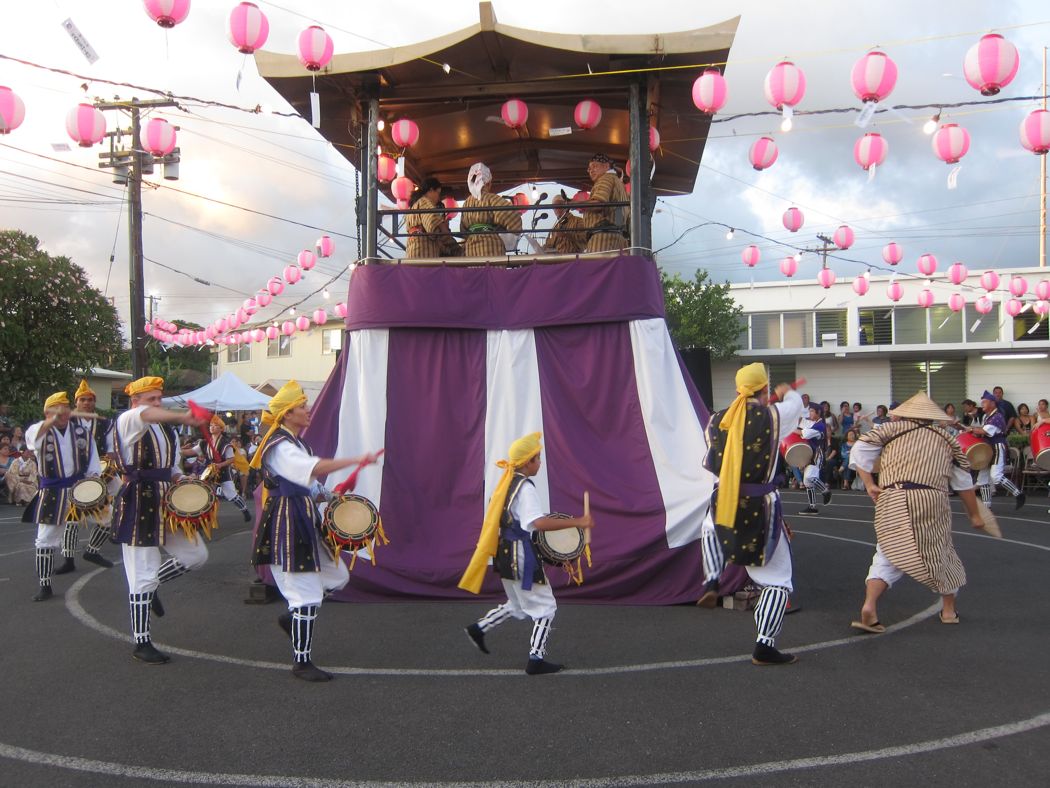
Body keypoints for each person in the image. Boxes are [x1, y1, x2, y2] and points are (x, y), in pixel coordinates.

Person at [250, 380, 378, 682]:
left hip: (303, 518)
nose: (308, 410)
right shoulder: (280, 446)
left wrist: (331, 496)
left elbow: (311, 485)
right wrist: (356, 460)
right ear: (287, 413)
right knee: (305, 594)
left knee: (338, 576)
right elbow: (315, 469)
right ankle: (302, 662)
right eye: (302, 406)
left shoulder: (299, 444)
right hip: (287, 521)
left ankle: (292, 617)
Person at [848, 392, 987, 632]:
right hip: (930, 499)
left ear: (905, 414)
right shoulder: (947, 439)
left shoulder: (888, 431)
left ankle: (870, 605)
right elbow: (963, 482)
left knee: (886, 553)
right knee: (941, 554)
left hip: (892, 496)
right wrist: (974, 514)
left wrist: (869, 483)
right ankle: (948, 611)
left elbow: (859, 450)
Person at [460, 432, 594, 675]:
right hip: (521, 555)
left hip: (505, 553)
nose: (540, 463)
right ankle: (536, 659)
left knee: (517, 605)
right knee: (546, 608)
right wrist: (578, 521)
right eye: (537, 458)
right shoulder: (525, 488)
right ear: (527, 462)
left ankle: (479, 628)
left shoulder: (506, 483)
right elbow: (537, 523)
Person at [698, 363, 805, 665]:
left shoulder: (716, 420)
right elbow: (796, 405)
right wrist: (788, 391)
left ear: (738, 390)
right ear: (764, 389)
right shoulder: (773, 416)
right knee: (778, 581)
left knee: (711, 528)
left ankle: (712, 578)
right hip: (760, 506)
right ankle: (765, 645)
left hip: (723, 500)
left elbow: (711, 462)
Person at [110, 376, 210, 664]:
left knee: (196, 555)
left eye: (158, 398)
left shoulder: (167, 430)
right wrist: (185, 416)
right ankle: (141, 643)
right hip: (139, 501)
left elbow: (172, 466)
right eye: (150, 398)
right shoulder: (128, 419)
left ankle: (153, 586)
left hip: (166, 502)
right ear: (135, 401)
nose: (156, 403)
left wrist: (182, 479)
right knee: (141, 574)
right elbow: (145, 414)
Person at [22, 392, 102, 601]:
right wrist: (52, 419)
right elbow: (33, 441)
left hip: (80, 489)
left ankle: (92, 550)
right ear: (47, 413)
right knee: (45, 540)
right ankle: (45, 585)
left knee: (109, 518)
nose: (63, 413)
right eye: (58, 410)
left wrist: (93, 481)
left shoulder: (82, 432)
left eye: (65, 409)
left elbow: (93, 461)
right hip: (53, 492)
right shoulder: (37, 430)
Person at [54, 379, 117, 574]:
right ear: (76, 403)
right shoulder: (67, 422)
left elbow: (111, 450)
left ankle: (92, 550)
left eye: (90, 400)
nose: (87, 403)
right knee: (72, 518)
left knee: (110, 513)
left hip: (98, 474)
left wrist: (106, 466)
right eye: (83, 400)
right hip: (72, 477)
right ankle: (68, 560)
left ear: (94, 402)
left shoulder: (105, 423)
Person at [970, 390, 1025, 509]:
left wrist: (970, 429)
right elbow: (980, 431)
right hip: (987, 448)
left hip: (997, 447)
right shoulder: (987, 416)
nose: (982, 404)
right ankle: (987, 507)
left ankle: (1018, 494)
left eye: (984, 402)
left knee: (996, 476)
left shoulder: (997, 416)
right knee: (983, 478)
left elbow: (983, 431)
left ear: (992, 403)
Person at [461, 163, 522, 258]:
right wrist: (507, 237)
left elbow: (463, 230)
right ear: (488, 183)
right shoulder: (491, 198)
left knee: (474, 268)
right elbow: (513, 217)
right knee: (492, 267)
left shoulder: (466, 203)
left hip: (471, 249)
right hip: (491, 246)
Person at [199, 415, 252, 522]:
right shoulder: (205, 442)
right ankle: (205, 517)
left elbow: (231, 459)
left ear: (221, 428)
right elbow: (192, 451)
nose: (212, 427)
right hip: (210, 473)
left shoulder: (225, 443)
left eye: (215, 425)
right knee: (205, 493)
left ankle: (245, 510)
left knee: (231, 495)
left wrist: (220, 465)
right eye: (211, 425)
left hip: (223, 472)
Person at [580, 153, 629, 254]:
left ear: (606, 166)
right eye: (589, 169)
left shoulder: (605, 178)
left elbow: (598, 203)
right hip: (618, 237)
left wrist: (575, 203)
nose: (591, 170)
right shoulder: (619, 183)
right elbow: (620, 215)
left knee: (598, 264)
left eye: (594, 166)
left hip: (602, 239)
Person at [405, 177, 460, 259]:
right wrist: (443, 228)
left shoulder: (413, 206)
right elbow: (434, 225)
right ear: (431, 190)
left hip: (413, 251)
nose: (438, 197)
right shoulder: (424, 201)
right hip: (424, 252)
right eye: (438, 192)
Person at [799, 404, 832, 514]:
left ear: (818, 412)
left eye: (812, 411)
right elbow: (802, 423)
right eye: (810, 411)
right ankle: (812, 507)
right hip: (810, 454)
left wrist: (791, 430)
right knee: (807, 481)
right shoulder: (814, 423)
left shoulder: (820, 426)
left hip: (817, 454)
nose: (810, 413)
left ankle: (825, 490)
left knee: (810, 477)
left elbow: (805, 434)